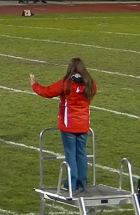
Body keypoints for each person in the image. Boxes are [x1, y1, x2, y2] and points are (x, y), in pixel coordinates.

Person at [30, 57, 97, 192]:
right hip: (83, 124)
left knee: (70, 154)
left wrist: (34, 84)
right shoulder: (90, 83)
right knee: (81, 153)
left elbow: (46, 92)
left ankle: (70, 184)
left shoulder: (66, 83)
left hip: (69, 125)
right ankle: (82, 183)